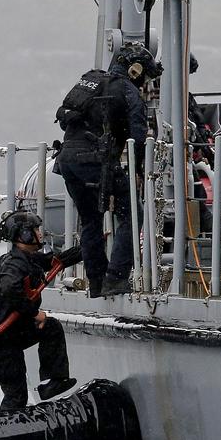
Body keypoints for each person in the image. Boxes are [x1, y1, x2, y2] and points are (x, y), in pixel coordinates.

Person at [55, 41, 162, 297]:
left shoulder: (90, 80)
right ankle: (115, 278)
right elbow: (137, 135)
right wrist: (137, 170)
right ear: (135, 70)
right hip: (94, 160)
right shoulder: (127, 91)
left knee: (90, 218)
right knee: (131, 212)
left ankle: (95, 281)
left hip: (67, 160)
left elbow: (65, 116)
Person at [0, 212, 77, 410]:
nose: (40, 233)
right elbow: (10, 290)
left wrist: (84, 250)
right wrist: (34, 313)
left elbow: (51, 262)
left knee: (51, 327)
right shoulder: (13, 264)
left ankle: (54, 382)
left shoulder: (28, 259)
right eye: (36, 230)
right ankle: (5, 434)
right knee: (16, 395)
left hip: (12, 332)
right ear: (24, 234)